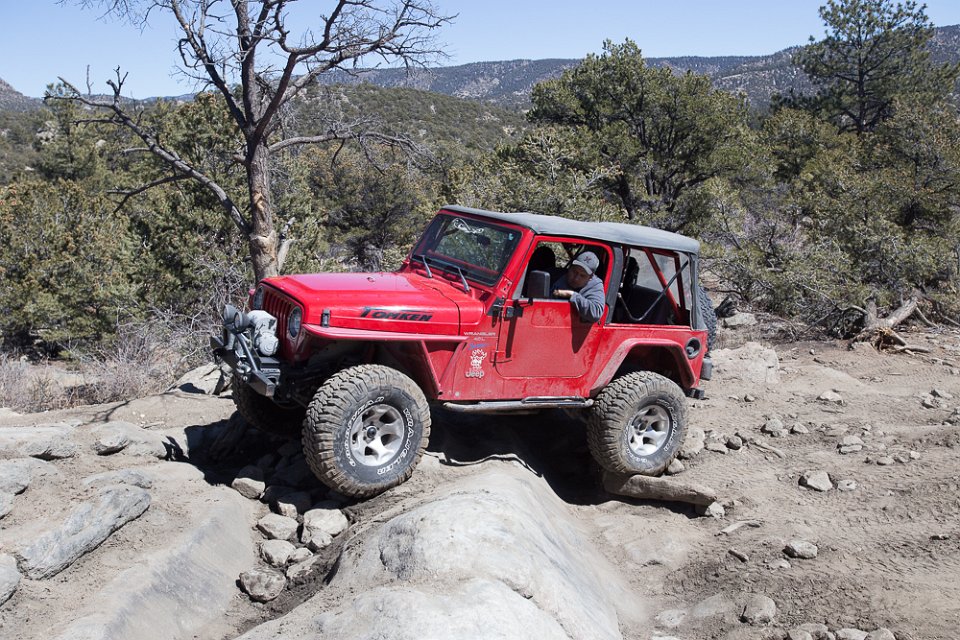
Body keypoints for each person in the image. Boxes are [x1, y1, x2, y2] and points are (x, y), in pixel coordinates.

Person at [552, 251, 605, 323]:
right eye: (574, 272)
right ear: (570, 267)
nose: (576, 278)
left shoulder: (595, 285)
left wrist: (572, 295)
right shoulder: (558, 275)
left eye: (582, 275)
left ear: (590, 277)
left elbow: (596, 313)